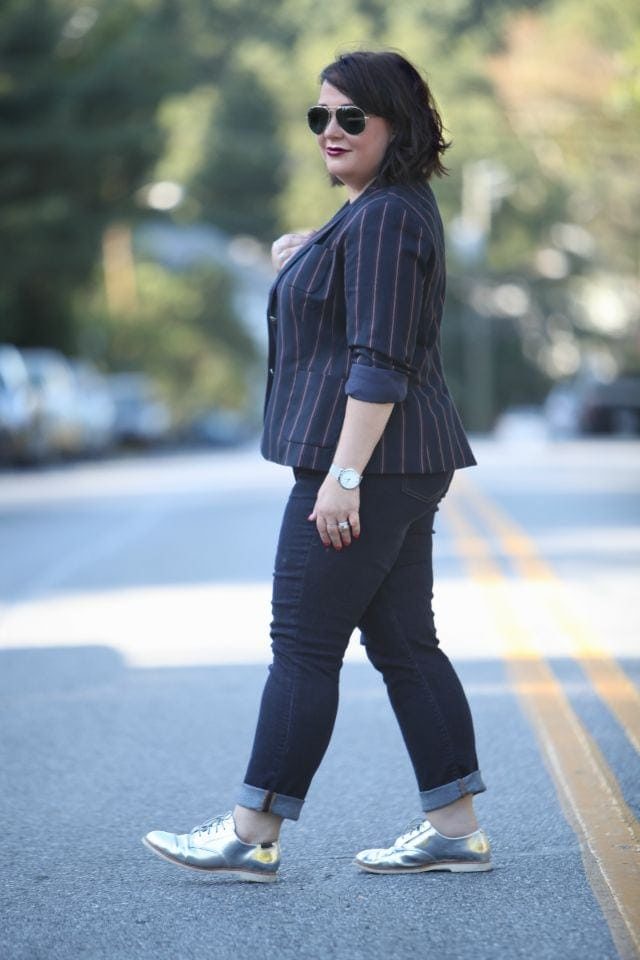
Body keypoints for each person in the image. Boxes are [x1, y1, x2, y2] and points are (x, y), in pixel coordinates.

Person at [142, 50, 491, 882]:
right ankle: (455, 826)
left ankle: (250, 830)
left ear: (395, 126)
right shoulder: (378, 214)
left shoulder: (384, 219)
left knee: (302, 646)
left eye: (351, 117)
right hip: (401, 461)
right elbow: (361, 306)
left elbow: (378, 360)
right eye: (320, 116)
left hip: (369, 463)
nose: (330, 130)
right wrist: (308, 251)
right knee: (407, 644)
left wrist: (341, 478)